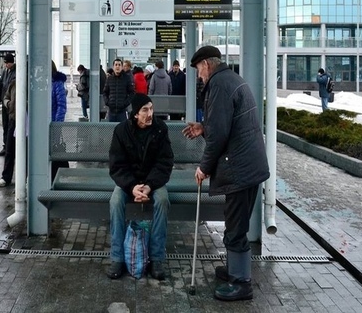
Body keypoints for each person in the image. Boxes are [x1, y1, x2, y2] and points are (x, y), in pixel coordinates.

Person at [182, 46, 270, 301]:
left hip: (240, 168)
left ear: (207, 65)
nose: (199, 76)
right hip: (246, 165)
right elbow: (224, 125)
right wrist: (203, 127)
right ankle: (234, 269)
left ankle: (241, 282)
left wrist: (203, 167)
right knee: (234, 221)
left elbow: (220, 134)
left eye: (199, 70)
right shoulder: (230, 79)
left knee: (235, 226)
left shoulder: (219, 85)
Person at [107, 93, 174, 281]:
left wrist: (149, 186)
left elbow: (165, 162)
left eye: (151, 108)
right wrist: (132, 187)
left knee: (162, 200)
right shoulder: (121, 131)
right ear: (135, 114)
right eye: (145, 110)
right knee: (115, 201)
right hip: (128, 183)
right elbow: (117, 165)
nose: (150, 113)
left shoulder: (160, 129)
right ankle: (117, 258)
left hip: (153, 183)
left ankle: (157, 258)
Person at [0, 53, 16, 156]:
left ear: (11, 62)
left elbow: (10, 86)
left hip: (11, 104)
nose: (5, 65)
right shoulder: (6, 71)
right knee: (5, 125)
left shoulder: (15, 72)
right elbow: (2, 80)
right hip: (5, 102)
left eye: (7, 63)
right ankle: (6, 146)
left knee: (10, 126)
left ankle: (10, 147)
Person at [51, 61, 68, 181]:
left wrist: (57, 124)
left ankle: (54, 177)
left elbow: (62, 105)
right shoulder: (40, 83)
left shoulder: (57, 83)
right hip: (42, 126)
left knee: (54, 151)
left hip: (53, 124)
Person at [0, 79, 17, 187]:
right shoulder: (14, 83)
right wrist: (8, 104)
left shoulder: (30, 82)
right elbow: (6, 97)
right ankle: (6, 177)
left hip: (27, 120)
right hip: (13, 119)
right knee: (9, 149)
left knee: (26, 150)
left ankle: (27, 177)